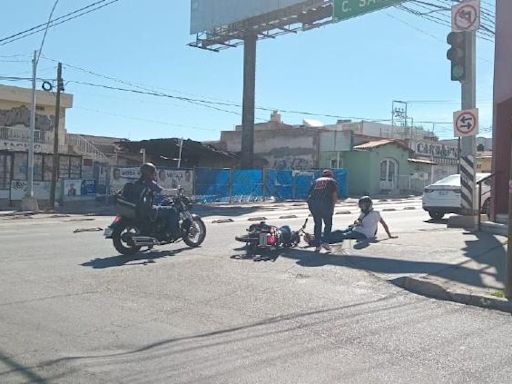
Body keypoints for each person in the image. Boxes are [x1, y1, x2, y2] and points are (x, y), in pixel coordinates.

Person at [326, 196, 397, 244]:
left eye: (363, 205)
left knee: (343, 236)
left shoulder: (376, 214)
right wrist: (357, 222)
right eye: (361, 205)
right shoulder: (364, 213)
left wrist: (389, 235)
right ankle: (319, 236)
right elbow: (358, 220)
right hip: (356, 229)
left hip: (364, 234)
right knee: (338, 231)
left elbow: (384, 224)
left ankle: (323, 240)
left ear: (368, 205)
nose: (362, 207)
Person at [136, 163, 179, 238]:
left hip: (139, 208)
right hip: (148, 210)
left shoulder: (138, 182)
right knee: (172, 210)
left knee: (160, 206)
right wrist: (177, 191)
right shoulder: (150, 183)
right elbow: (163, 191)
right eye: (153, 172)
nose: (154, 174)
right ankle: (174, 233)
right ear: (149, 173)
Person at [307, 169, 339, 252]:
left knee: (317, 224)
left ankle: (317, 245)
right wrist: (333, 207)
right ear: (331, 175)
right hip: (325, 204)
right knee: (328, 224)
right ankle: (325, 242)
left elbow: (309, 193)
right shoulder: (332, 181)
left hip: (313, 204)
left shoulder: (316, 181)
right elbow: (334, 195)